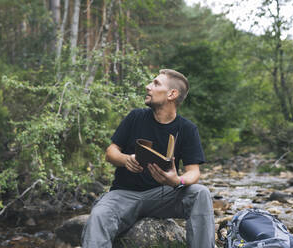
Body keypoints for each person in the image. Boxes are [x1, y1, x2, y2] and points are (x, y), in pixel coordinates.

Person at [81, 69, 215, 248]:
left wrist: (177, 180)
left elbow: (194, 172)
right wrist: (125, 159)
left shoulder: (187, 129)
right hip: (123, 195)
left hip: (163, 196)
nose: (148, 86)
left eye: (156, 83)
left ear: (172, 94)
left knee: (201, 193)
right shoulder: (135, 117)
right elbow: (110, 152)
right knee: (98, 216)